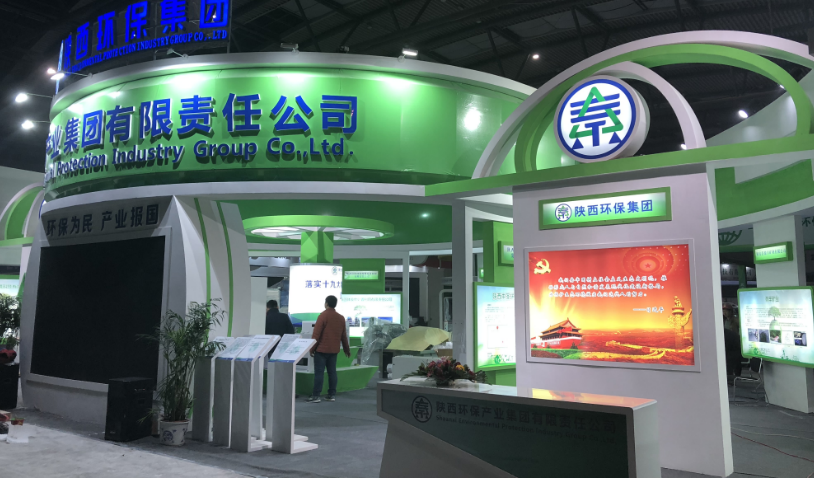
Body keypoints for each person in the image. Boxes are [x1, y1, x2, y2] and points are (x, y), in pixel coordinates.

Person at [306, 295, 350, 403]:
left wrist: (312, 349)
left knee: (319, 373)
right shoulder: (341, 318)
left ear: (326, 303)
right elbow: (343, 336)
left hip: (321, 350)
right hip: (334, 350)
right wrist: (346, 349)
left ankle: (316, 396)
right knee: (332, 372)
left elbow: (316, 335)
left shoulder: (323, 316)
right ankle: (331, 395)